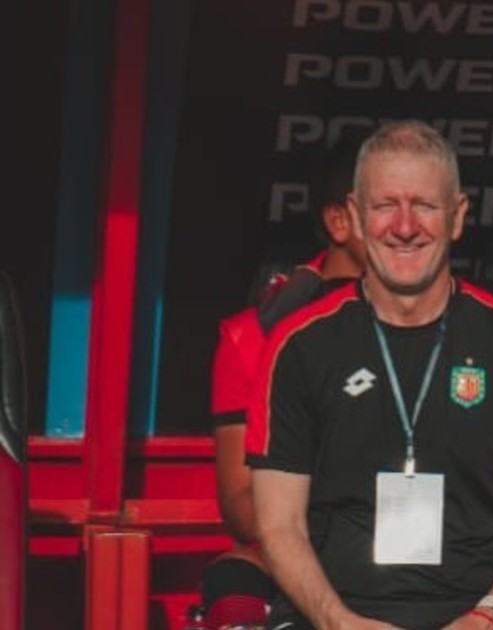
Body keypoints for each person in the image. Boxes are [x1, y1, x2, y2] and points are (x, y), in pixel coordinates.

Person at [246, 120, 493, 630]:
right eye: (385, 205)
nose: (404, 226)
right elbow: (279, 525)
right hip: (334, 616)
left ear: (458, 216)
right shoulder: (299, 346)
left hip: (483, 615)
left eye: (424, 205)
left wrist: (486, 619)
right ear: (356, 216)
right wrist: (338, 621)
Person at [204, 140, 368, 629]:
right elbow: (241, 506)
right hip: (301, 551)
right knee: (235, 583)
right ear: (339, 220)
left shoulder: (460, 326)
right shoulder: (249, 337)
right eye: (384, 205)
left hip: (422, 559)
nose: (406, 226)